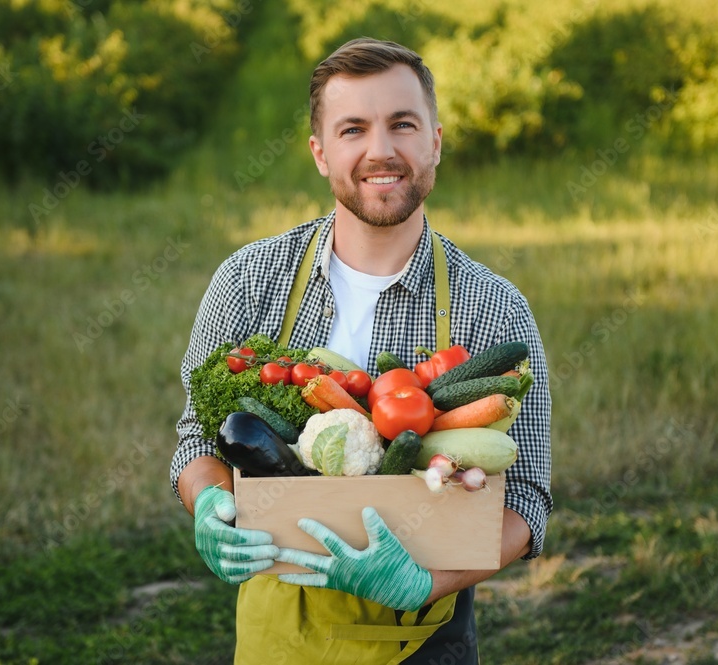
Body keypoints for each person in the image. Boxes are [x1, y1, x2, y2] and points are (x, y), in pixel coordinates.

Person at [170, 37, 552, 664]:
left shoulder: (495, 307)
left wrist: (423, 583)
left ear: (435, 141)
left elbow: (527, 503)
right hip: (277, 638)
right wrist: (208, 502)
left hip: (425, 638)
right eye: (353, 129)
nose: (381, 151)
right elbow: (196, 443)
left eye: (403, 124)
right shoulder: (246, 280)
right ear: (321, 153)